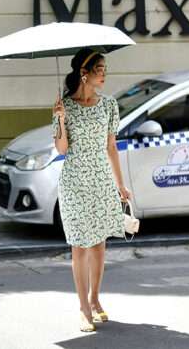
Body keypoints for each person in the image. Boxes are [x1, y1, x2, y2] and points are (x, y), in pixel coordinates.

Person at [52, 48, 130, 332]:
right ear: (84, 73)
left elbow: (112, 147)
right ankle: (83, 308)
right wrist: (60, 119)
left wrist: (120, 184)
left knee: (98, 245)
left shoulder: (109, 104)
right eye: (100, 70)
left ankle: (95, 299)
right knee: (79, 246)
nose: (104, 75)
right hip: (74, 182)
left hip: (101, 180)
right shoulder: (65, 106)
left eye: (105, 70)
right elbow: (61, 149)